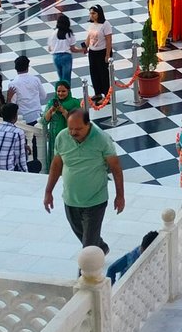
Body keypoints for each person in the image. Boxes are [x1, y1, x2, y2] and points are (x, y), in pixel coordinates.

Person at [43, 104, 125, 252]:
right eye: (70, 129)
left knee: (88, 248)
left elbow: (116, 168)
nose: (73, 132)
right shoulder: (62, 137)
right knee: (83, 235)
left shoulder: (102, 139)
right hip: (70, 199)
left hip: (95, 200)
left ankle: (89, 264)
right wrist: (48, 192)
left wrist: (120, 196)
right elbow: (56, 165)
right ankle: (101, 247)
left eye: (78, 129)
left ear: (88, 124)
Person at [0, 102, 31, 172]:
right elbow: (21, 161)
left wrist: (23, 146)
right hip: (6, 172)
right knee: (36, 164)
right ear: (15, 116)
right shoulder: (18, 132)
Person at [41, 79, 82, 148]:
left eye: (63, 91)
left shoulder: (74, 103)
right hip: (54, 138)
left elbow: (77, 122)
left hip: (69, 137)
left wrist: (64, 111)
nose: (60, 93)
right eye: (58, 91)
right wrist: (50, 111)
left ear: (68, 91)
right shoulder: (51, 103)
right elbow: (44, 121)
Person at [85, 5, 113, 99]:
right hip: (92, 52)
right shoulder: (91, 24)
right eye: (90, 13)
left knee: (103, 74)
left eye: (94, 13)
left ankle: (107, 95)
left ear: (99, 14)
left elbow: (109, 40)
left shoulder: (105, 24)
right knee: (94, 73)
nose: (91, 15)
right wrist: (85, 47)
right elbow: (89, 37)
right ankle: (97, 93)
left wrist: (107, 54)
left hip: (102, 52)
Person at [47, 14, 81, 85]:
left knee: (61, 78)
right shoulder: (69, 34)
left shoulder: (53, 33)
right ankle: (67, 92)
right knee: (66, 80)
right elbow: (73, 49)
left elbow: (49, 48)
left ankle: (60, 90)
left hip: (56, 57)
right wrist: (82, 50)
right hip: (66, 57)